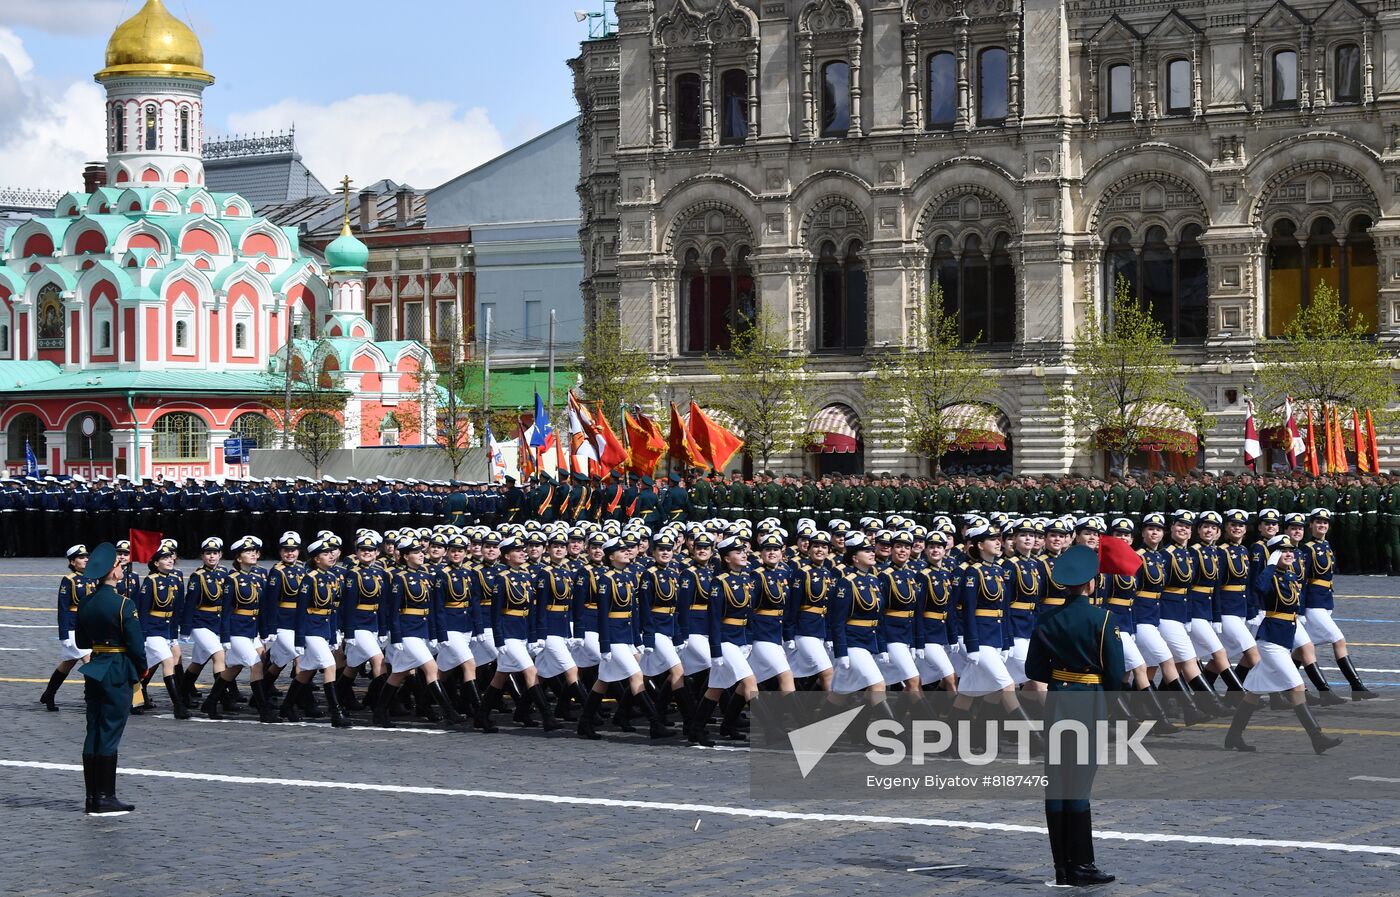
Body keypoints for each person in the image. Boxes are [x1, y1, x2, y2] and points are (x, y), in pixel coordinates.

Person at [1024, 544, 1122, 887]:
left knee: (1057, 786)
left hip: (1058, 704)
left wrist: (1060, 678)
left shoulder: (1047, 619)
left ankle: (1061, 867)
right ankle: (1082, 865)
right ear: (1091, 584)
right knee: (1079, 786)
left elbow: (1033, 667)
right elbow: (1115, 673)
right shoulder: (1103, 618)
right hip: (1089, 704)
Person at [1225, 535, 1344, 754]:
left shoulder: (1289, 575)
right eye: (1282, 551)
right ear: (1273, 555)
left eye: (1290, 550)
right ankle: (1317, 737)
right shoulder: (1268, 576)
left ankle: (1232, 736)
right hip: (1271, 641)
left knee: (1253, 692)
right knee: (1297, 687)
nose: (1288, 553)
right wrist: (1269, 565)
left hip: (1284, 639)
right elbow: (1258, 589)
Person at [74, 542, 145, 816]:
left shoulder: (86, 602)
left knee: (94, 729)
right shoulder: (123, 604)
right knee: (110, 731)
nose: (122, 569)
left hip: (95, 669)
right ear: (113, 573)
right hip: (117, 668)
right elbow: (137, 646)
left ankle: (92, 797)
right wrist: (140, 670)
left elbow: (82, 640)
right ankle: (105, 797)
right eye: (119, 565)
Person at [39, 545, 96, 711]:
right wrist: (64, 634)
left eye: (87, 556)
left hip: (88, 627)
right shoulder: (69, 580)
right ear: (72, 561)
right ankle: (91, 699)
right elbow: (63, 608)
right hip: (74, 628)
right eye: (81, 557)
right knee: (90, 662)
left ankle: (49, 693)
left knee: (68, 663)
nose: (86, 559)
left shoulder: (93, 578)